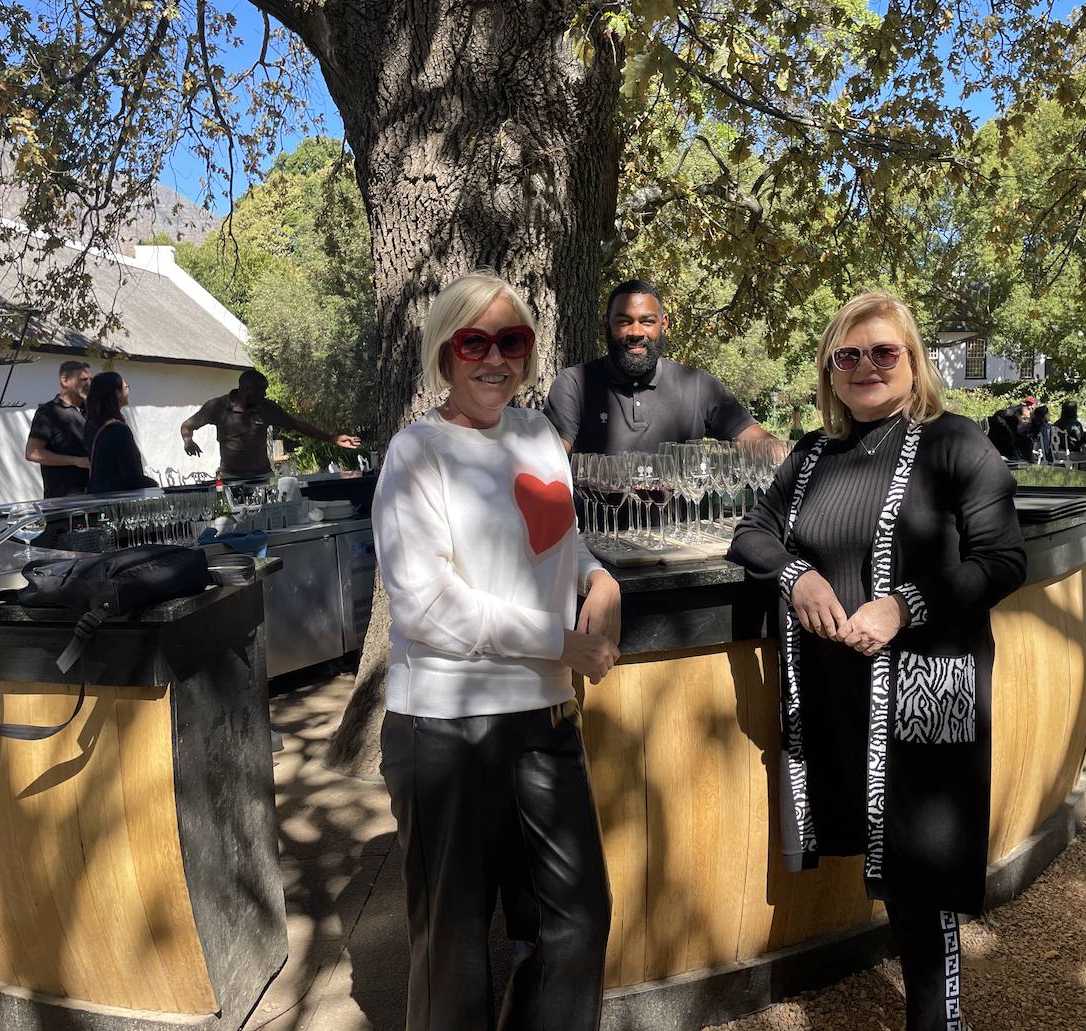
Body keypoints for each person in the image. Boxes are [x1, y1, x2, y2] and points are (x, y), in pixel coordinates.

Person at [727, 290, 1026, 1031]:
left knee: (921, 875)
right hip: (836, 690)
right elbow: (752, 533)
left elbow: (1003, 560)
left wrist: (905, 605)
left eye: (883, 351)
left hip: (924, 690)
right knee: (883, 859)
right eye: (848, 355)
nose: (865, 366)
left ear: (913, 361)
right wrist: (800, 576)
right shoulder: (809, 457)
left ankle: (937, 1021)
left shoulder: (957, 443)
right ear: (830, 370)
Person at [373, 271, 619, 1031]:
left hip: (542, 718)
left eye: (511, 341)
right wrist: (561, 642)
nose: (495, 359)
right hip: (444, 728)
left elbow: (560, 540)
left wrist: (599, 576)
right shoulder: (417, 453)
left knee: (577, 917)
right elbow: (427, 605)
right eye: (474, 341)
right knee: (452, 945)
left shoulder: (537, 433)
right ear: (444, 352)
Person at [544, 278, 773, 453]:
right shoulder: (575, 384)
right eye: (624, 322)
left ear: (663, 324)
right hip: (598, 516)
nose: (635, 332)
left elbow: (755, 440)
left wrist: (802, 459)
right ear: (606, 324)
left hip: (680, 518)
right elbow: (551, 459)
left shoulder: (698, 386)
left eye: (647, 322)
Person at [180, 369, 362, 478]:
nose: (265, 395)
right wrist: (188, 441)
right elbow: (187, 426)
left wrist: (332, 438)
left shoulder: (267, 408)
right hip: (230, 477)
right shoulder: (217, 406)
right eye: (261, 391)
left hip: (262, 476)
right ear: (247, 390)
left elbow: (298, 425)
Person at [25, 360, 92, 497]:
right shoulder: (49, 412)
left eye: (91, 380)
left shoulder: (91, 412)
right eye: (83, 380)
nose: (89, 384)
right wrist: (76, 461)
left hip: (94, 498)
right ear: (65, 380)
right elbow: (32, 453)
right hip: (62, 504)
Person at [84, 372, 159, 494]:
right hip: (118, 499)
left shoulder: (91, 424)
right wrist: (154, 486)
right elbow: (132, 475)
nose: (128, 391)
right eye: (126, 387)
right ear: (117, 393)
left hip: (98, 494)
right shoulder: (118, 430)